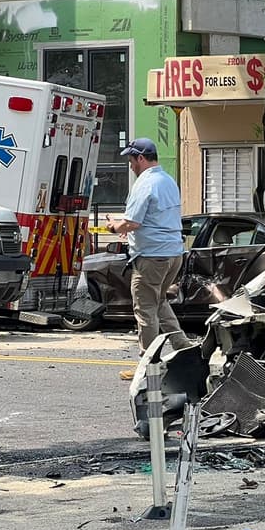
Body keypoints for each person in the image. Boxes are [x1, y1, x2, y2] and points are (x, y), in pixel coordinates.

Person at [105, 138, 193, 380]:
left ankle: (147, 367)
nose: (130, 166)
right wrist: (128, 225)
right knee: (159, 301)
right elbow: (150, 219)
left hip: (152, 257)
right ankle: (184, 348)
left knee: (145, 309)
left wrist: (114, 226)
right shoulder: (167, 180)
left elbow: (132, 222)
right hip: (173, 254)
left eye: (131, 160)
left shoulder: (145, 184)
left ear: (141, 159)